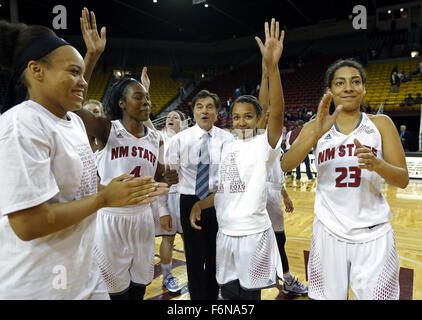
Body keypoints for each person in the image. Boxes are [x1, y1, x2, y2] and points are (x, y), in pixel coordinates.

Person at [0, 19, 168, 299]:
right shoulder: (20, 125)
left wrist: (124, 190)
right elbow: (28, 223)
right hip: (38, 283)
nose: (84, 82)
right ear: (36, 70)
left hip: (82, 272)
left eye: (83, 74)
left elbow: (75, 192)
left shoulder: (72, 124)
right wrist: (104, 199)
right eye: (74, 72)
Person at [281, 58, 409, 300]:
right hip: (329, 231)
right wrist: (316, 134)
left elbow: (402, 179)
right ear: (330, 91)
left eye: (355, 82)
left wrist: (378, 165)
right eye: (340, 83)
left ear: (364, 88)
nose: (348, 87)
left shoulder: (380, 124)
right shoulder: (315, 126)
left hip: (374, 234)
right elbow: (286, 165)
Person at [75, 8, 178, 300]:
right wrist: (92, 56)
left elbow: (157, 178)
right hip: (110, 218)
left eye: (146, 97)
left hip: (142, 219)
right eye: (138, 97)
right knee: (114, 293)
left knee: (139, 288)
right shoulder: (107, 128)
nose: (145, 101)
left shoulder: (155, 137)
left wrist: (168, 177)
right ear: (121, 102)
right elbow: (74, 105)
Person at [189, 18, 285, 300]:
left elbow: (275, 111)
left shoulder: (263, 144)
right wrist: (200, 204)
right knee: (228, 293)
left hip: (252, 234)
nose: (242, 121)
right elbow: (225, 190)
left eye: (249, 116)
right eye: (237, 116)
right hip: (225, 233)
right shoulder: (227, 146)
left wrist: (271, 68)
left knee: (248, 296)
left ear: (259, 120)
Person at [166, 89, 234, 300]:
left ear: (217, 112)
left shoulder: (228, 139)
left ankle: (212, 297)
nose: (205, 111)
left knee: (216, 255)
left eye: (210, 107)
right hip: (189, 200)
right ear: (193, 112)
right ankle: (197, 299)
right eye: (200, 107)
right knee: (194, 256)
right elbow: (169, 173)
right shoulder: (179, 139)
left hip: (217, 200)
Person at [257, 56, 308, 296]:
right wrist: (266, 73)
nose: (268, 117)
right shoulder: (255, 136)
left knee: (280, 240)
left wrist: (285, 194)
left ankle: (285, 278)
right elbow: (266, 107)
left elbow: (277, 170)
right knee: (261, 240)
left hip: (273, 192)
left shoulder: (275, 140)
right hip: (256, 193)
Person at [154, 110, 188, 293]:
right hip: (167, 193)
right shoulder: (160, 138)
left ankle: (196, 274)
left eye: (176, 117)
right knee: (168, 237)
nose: (171, 119)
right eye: (168, 117)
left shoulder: (189, 140)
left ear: (183, 122)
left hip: (186, 195)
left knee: (189, 239)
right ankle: (167, 276)